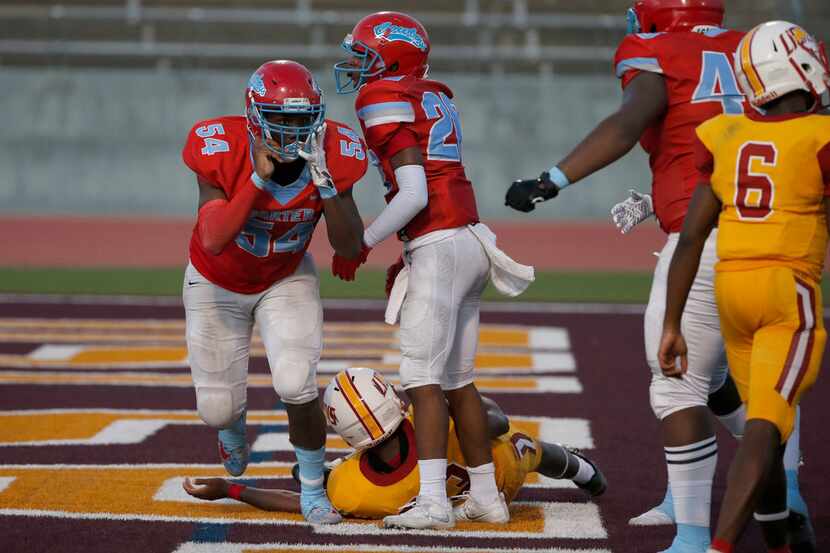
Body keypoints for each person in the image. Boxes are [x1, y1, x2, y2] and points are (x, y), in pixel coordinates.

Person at [505, 1, 810, 551]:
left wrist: (553, 178)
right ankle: (781, 487)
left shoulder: (658, 49)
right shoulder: (749, 46)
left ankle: (696, 534)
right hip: (770, 233)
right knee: (736, 382)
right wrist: (661, 195)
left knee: (677, 384)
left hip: (709, 237)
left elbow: (630, 120)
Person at [328, 11, 537, 529]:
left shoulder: (380, 98)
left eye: (364, 55)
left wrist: (364, 243)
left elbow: (415, 189)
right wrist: (406, 249)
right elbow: (431, 187)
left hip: (441, 240)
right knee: (458, 381)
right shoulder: (431, 94)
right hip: (467, 237)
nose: (356, 66)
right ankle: (486, 497)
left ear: (391, 57)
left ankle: (433, 502)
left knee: (422, 380)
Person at [658, 21, 830, 553]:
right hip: (786, 292)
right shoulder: (821, 137)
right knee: (763, 427)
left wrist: (672, 323)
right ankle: (721, 546)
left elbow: (690, 237)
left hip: (731, 290)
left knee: (768, 429)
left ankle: (778, 541)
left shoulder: (728, 134)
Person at [181, 60, 368, 524]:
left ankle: (310, 490)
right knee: (216, 408)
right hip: (215, 281)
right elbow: (214, 238)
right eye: (281, 118)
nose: (293, 130)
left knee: (295, 382)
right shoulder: (220, 147)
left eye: (303, 119)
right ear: (254, 115)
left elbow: (347, 243)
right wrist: (258, 180)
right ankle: (232, 426)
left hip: (285, 278)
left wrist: (324, 182)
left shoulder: (333, 152)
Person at [183, 368, 606, 519]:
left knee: (325, 484)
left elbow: (296, 503)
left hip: (408, 492)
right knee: (527, 448)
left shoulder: (353, 489)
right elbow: (495, 418)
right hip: (498, 470)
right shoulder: (430, 417)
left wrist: (230, 489)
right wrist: (455, 412)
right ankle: (582, 471)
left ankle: (323, 469)